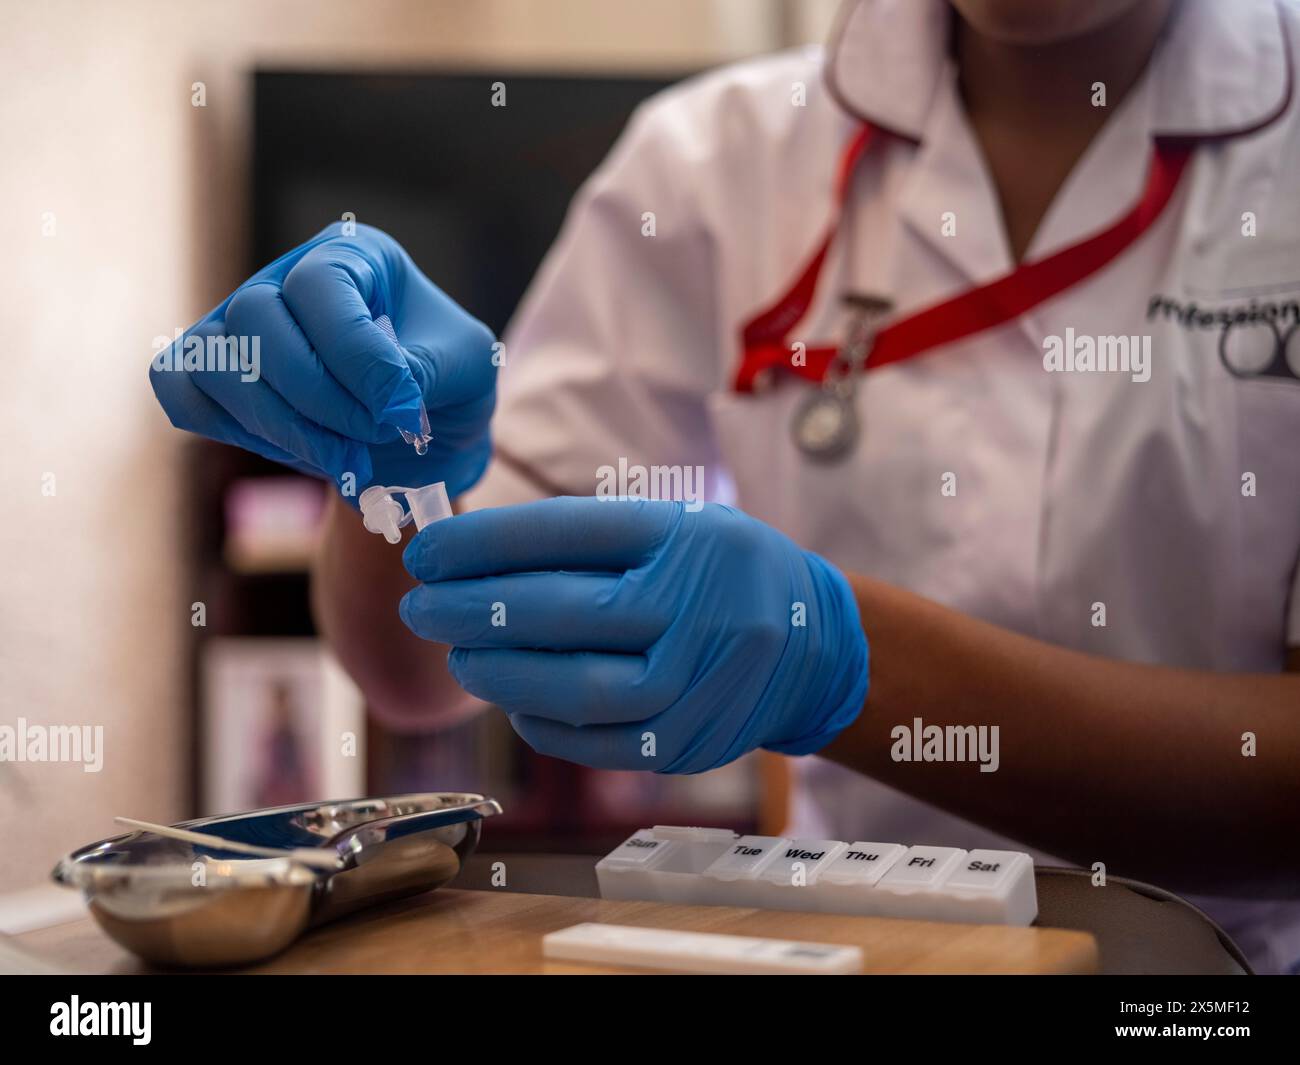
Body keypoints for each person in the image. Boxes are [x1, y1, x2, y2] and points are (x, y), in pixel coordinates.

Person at [149, 0, 1300, 972]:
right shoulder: (714, 159)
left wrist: (846, 660)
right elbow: (419, 671)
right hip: (854, 942)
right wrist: (391, 459)